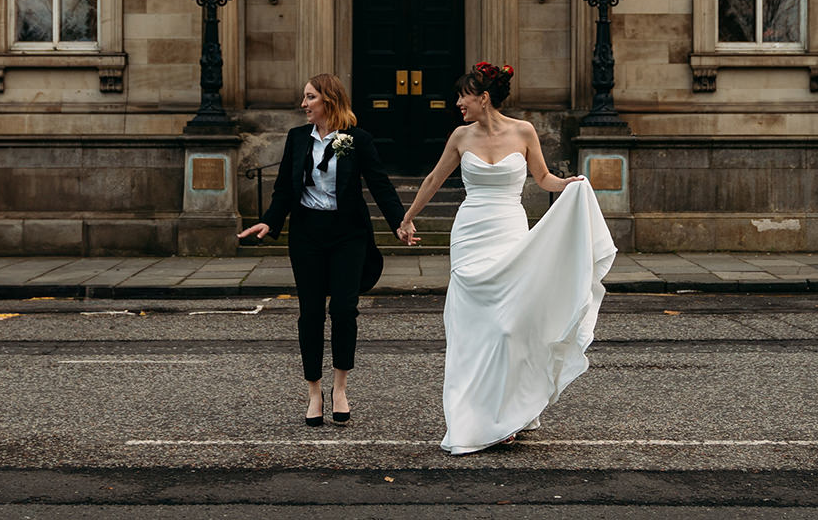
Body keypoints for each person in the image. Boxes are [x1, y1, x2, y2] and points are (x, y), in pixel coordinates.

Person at [397, 62, 617, 455]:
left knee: (510, 325)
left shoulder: (524, 131)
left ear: (483, 98)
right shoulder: (460, 136)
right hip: (470, 235)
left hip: (510, 232)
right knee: (473, 327)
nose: (458, 102)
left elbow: (544, 178)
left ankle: (511, 410)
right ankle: (476, 415)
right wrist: (408, 217)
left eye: (463, 95)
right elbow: (433, 179)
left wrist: (569, 185)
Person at [239, 74, 406, 427]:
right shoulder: (298, 138)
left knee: (344, 310)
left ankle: (340, 388)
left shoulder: (355, 140)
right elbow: (284, 187)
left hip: (348, 234)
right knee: (311, 313)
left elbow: (379, 184)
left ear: (328, 100)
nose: (304, 104)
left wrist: (400, 223)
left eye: (310, 97)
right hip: (307, 235)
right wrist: (270, 221)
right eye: (304, 97)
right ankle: (314, 391)